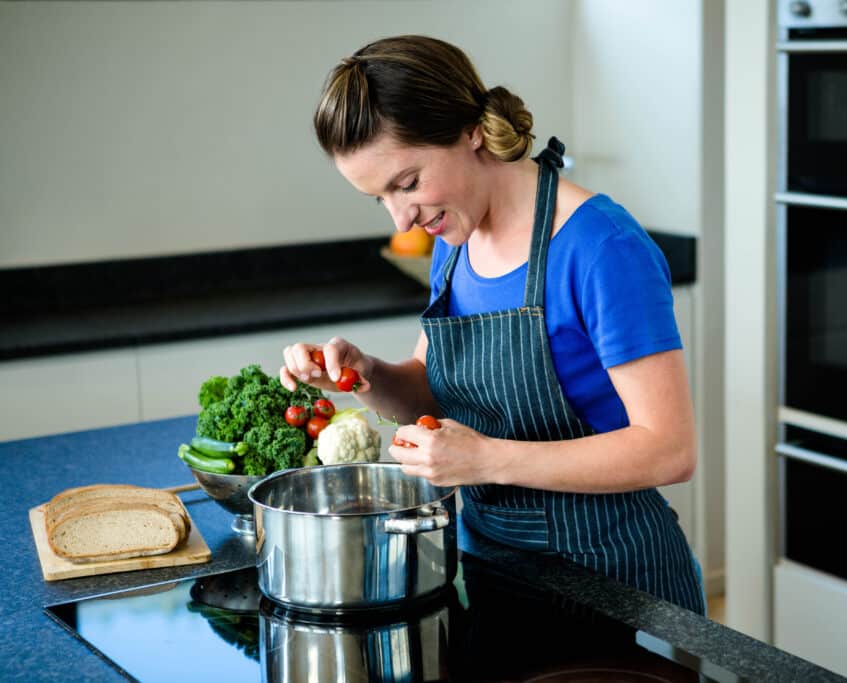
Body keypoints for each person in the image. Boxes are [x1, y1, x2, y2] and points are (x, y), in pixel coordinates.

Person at [280, 35, 705, 614]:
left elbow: (669, 450)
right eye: (378, 198)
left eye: (407, 183)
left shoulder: (601, 247)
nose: (402, 216)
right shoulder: (454, 243)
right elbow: (433, 390)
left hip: (614, 582)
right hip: (492, 568)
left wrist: (488, 460)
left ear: (470, 132)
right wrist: (365, 375)